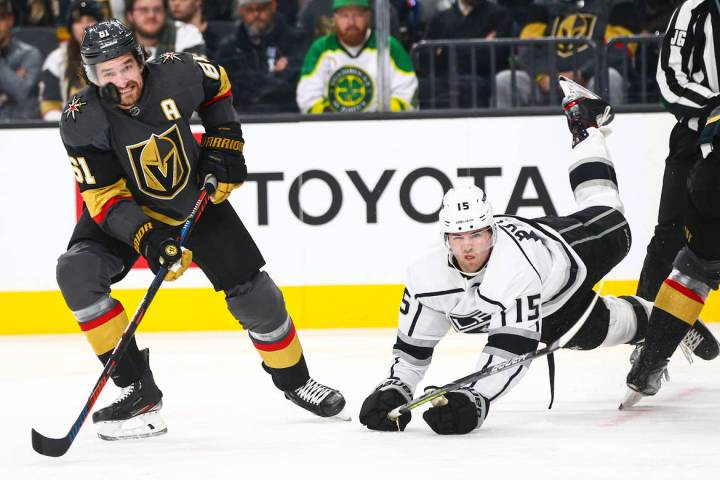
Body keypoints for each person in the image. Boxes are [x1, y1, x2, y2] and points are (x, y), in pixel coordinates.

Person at [358, 77, 717, 434]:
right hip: (548, 305)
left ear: (492, 231)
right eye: (458, 236)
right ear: (445, 238)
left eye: (477, 234)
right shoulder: (426, 274)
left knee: (612, 220)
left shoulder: (514, 269)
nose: (468, 246)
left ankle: (584, 123)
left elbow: (510, 350)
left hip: (563, 254)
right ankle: (663, 318)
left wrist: (474, 400)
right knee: (599, 331)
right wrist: (395, 388)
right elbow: (413, 349)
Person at [56, 19, 347, 441]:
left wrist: (224, 140)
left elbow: (219, 87)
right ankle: (138, 390)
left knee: (257, 297)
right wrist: (148, 239)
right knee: (76, 273)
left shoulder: (178, 71)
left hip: (193, 197)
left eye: (125, 67)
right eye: (107, 73)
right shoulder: (81, 120)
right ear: (91, 76)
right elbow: (103, 198)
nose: (120, 80)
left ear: (140, 59)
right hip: (128, 209)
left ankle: (296, 381)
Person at [623, 0, 720, 407]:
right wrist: (716, 106)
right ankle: (652, 340)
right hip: (697, 144)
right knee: (670, 241)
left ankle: (656, 345)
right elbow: (669, 80)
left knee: (698, 259)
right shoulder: (694, 10)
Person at [494, 0, 642, 108]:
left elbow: (618, 49)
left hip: (590, 83)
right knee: (506, 80)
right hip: (547, 83)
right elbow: (526, 47)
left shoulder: (620, 5)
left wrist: (582, 74)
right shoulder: (542, 6)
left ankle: (613, 139)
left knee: (610, 77)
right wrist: (542, 76)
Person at [296, 0, 418, 113]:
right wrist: (333, 119)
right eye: (344, 16)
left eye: (358, 15)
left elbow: (407, 93)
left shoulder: (389, 46)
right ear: (335, 18)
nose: (351, 22)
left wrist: (377, 120)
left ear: (368, 17)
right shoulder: (320, 48)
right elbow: (308, 97)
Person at [216, 0, 306, 113]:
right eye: (250, 10)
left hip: (286, 115)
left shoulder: (295, 40)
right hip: (242, 117)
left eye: (262, 8)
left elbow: (299, 85)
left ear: (273, 6)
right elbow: (224, 91)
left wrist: (250, 81)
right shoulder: (229, 48)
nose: (256, 15)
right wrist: (276, 77)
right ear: (241, 11)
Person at [420, 0, 514, 108]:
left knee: (470, 85)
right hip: (445, 79)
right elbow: (425, 56)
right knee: (425, 86)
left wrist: (448, 53)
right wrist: (479, 46)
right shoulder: (440, 18)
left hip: (484, 79)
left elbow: (494, 56)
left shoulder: (499, 15)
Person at [40, 0, 104, 120]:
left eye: (90, 20)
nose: (85, 26)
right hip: (68, 129)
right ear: (71, 27)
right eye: (78, 21)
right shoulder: (56, 59)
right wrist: (70, 126)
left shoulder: (115, 56)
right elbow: (49, 106)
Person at [0, 0, 42, 120]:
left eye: (1, 18)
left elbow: (22, 93)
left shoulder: (29, 54)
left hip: (19, 127)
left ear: (10, 20)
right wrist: (14, 77)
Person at [126, 0, 205, 60]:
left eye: (157, 9)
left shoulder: (187, 33)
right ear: (130, 15)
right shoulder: (120, 43)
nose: (151, 15)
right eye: (143, 10)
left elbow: (195, 76)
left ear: (165, 12)